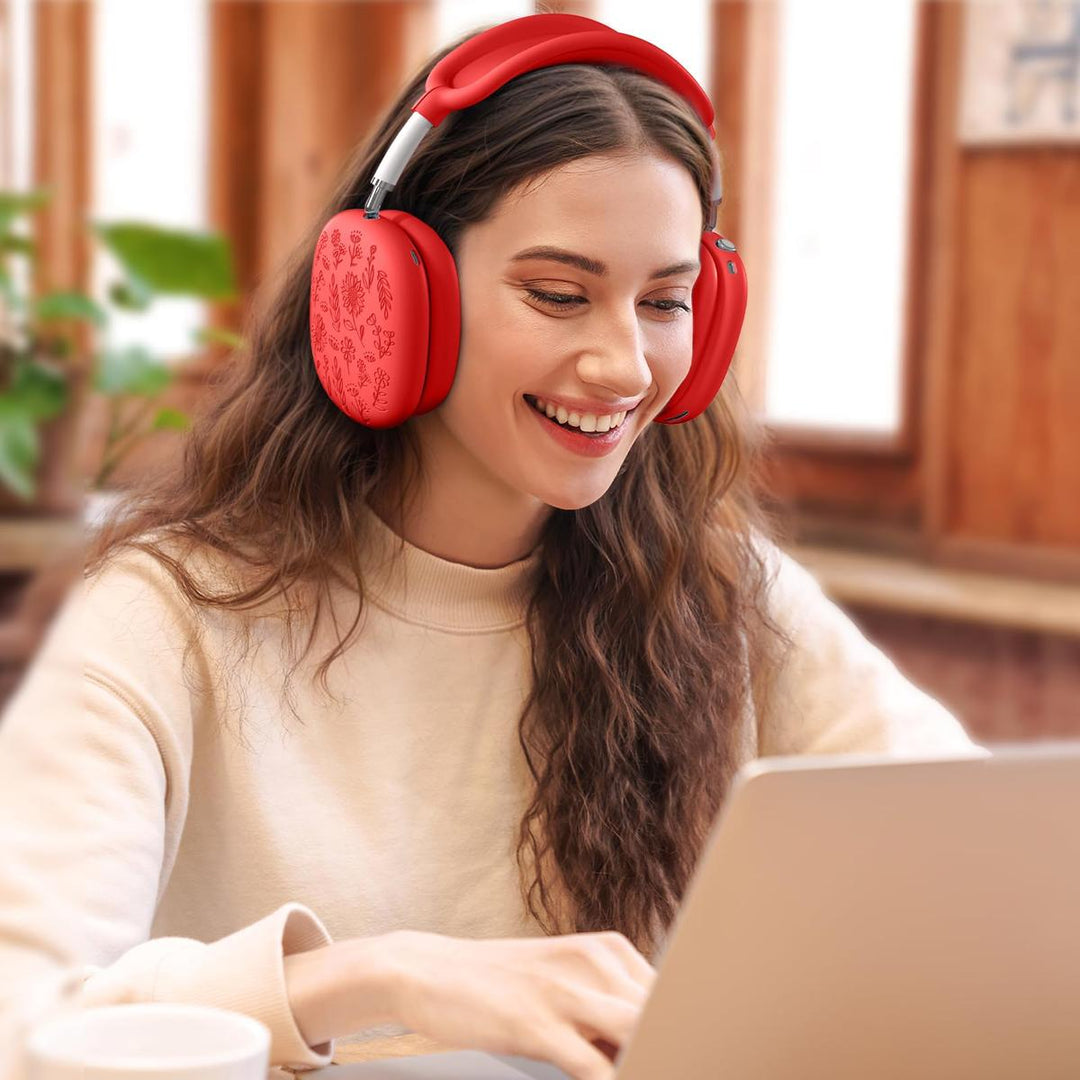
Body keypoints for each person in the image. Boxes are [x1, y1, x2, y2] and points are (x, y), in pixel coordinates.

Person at [0, 16, 983, 1080]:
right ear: (388, 297)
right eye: (558, 295)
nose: (622, 366)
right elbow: (23, 1021)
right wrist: (381, 978)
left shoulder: (720, 593)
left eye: (664, 302)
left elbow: (985, 858)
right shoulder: (165, 614)